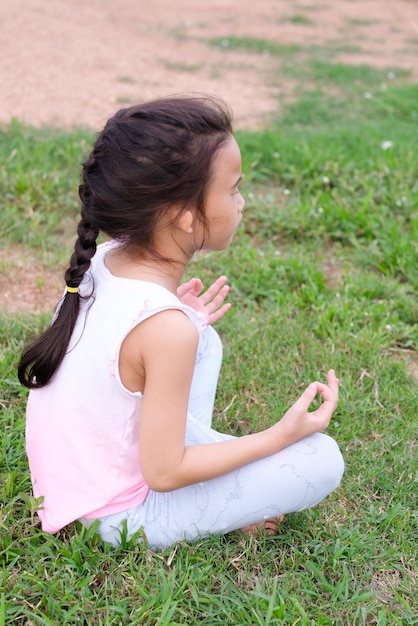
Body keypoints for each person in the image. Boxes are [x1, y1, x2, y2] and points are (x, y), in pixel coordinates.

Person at [18, 95, 344, 550]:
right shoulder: (166, 330)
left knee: (203, 338)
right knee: (322, 460)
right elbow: (165, 472)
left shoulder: (105, 258)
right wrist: (277, 437)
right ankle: (229, 498)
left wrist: (177, 317)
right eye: (233, 189)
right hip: (116, 518)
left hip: (74, 482)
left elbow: (126, 352)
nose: (242, 201)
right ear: (182, 216)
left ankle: (217, 470)